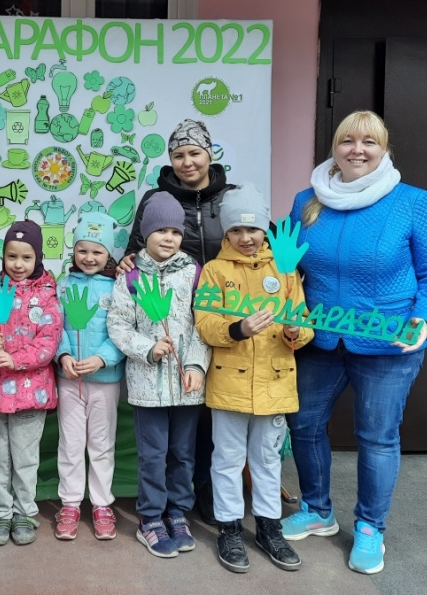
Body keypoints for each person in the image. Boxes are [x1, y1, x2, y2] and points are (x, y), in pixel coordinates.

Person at [281, 111, 427, 574]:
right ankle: (317, 510)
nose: (357, 150)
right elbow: (284, 266)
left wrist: (425, 319)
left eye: (369, 142)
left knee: (376, 438)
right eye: (347, 141)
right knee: (303, 424)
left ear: (384, 150)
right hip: (319, 338)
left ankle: (370, 527)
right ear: (334, 148)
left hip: (388, 345)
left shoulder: (412, 202)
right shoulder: (306, 201)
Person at [118, 119, 244, 526]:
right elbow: (135, 249)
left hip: (223, 314)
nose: (187, 161)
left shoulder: (230, 196)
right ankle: (165, 507)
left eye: (194, 152)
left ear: (210, 153)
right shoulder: (157, 198)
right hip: (176, 318)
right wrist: (127, 263)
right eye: (178, 155)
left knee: (209, 414)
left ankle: (202, 490)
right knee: (179, 421)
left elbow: (253, 239)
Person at [194, 185, 313, 573]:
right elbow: (205, 323)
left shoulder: (285, 268)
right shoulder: (215, 271)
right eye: (236, 230)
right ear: (226, 233)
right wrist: (238, 329)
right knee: (227, 459)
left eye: (253, 229)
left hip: (275, 383)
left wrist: (296, 332)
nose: (246, 238)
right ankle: (229, 527)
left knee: (266, 459)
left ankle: (268, 526)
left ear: (265, 229)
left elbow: (304, 321)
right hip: (228, 384)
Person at [107, 193, 211, 558]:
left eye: (175, 231)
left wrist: (196, 366)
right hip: (146, 386)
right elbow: (118, 325)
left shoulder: (195, 272)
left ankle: (177, 513)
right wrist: (148, 348)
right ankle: (150, 518)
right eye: (161, 230)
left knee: (182, 454)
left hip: (187, 386)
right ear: (145, 233)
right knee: (153, 456)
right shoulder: (131, 276)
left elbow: (203, 325)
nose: (168, 238)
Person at [0, 220, 64, 546]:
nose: (18, 264)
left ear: (37, 257)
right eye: (12, 256)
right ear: (3, 256)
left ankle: (24, 511)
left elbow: (48, 342)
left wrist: (16, 358)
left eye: (26, 257)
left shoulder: (47, 295)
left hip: (30, 393)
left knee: (25, 458)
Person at [53, 212, 126, 541]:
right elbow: (55, 326)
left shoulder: (118, 287)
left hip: (105, 382)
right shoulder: (63, 285)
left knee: (101, 445)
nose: (89, 257)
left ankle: (101, 504)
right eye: (82, 250)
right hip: (69, 381)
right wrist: (64, 355)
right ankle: (70, 504)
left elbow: (122, 330)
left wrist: (102, 359)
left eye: (97, 251)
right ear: (73, 251)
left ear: (108, 254)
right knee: (70, 444)